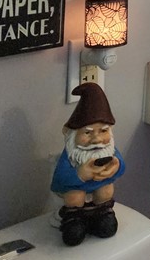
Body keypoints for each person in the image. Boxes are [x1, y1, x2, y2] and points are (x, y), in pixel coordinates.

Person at [51, 82, 126, 245]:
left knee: (106, 190)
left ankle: (103, 214)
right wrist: (80, 175)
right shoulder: (71, 156)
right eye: (87, 133)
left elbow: (121, 166)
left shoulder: (108, 150)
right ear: (70, 133)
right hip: (76, 199)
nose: (97, 139)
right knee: (74, 196)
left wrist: (116, 166)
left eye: (104, 131)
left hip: (100, 199)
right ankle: (75, 220)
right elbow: (58, 181)